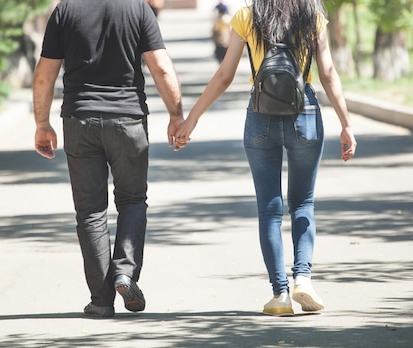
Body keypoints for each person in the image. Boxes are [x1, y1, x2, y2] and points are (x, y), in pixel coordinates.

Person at [173, 0, 357, 316]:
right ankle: (303, 278)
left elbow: (224, 76)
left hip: (261, 113)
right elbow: (326, 72)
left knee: (269, 209)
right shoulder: (312, 14)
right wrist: (346, 124)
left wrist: (191, 119)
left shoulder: (248, 15)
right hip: (306, 112)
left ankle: (281, 295)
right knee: (303, 202)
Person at [32, 0, 184, 318]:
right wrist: (176, 115)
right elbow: (161, 67)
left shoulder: (65, 10)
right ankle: (125, 273)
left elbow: (45, 75)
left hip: (79, 120)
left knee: (90, 212)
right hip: (128, 120)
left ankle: (101, 301)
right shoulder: (138, 9)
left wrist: (42, 124)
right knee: (132, 200)